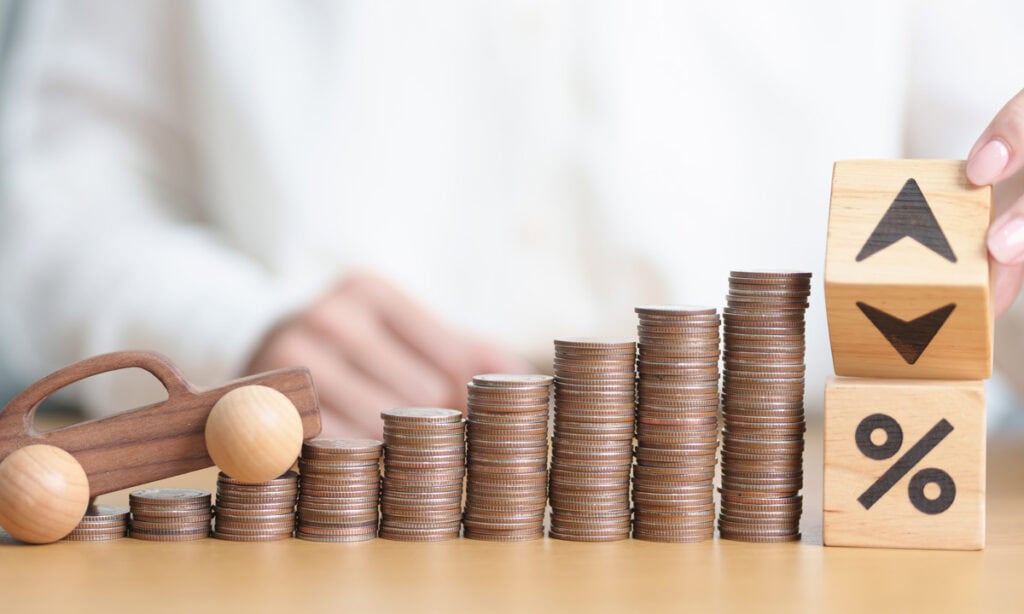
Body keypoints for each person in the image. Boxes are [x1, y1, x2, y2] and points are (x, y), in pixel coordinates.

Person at [2, 1, 1023, 438]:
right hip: (315, 492)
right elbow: (59, 186)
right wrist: (230, 327)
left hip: (803, 509)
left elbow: (988, 203)